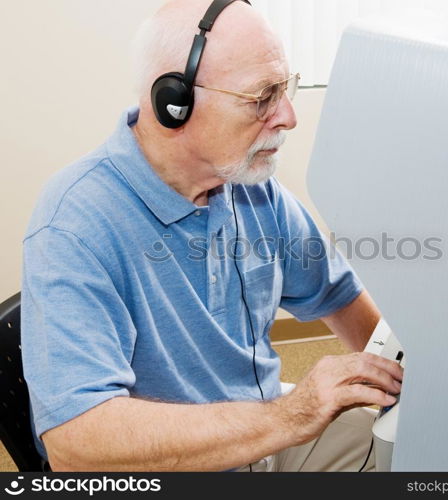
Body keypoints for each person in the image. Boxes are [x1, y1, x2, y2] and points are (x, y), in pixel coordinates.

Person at [21, 0, 403, 472]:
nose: (287, 116)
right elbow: (75, 444)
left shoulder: (253, 188)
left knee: (413, 453)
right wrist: (292, 415)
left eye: (285, 89)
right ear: (174, 105)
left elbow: (338, 295)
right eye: (262, 96)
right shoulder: (74, 224)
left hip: (260, 427)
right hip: (172, 461)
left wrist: (408, 388)